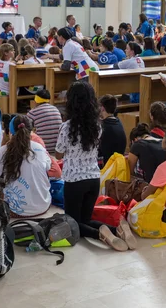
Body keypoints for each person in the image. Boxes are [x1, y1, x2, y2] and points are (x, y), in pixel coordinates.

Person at [56, 81, 135, 251]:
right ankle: (118, 229)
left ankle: (101, 233)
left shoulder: (67, 127)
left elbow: (59, 153)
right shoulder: (98, 126)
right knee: (84, 219)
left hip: (74, 180)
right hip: (93, 178)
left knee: (72, 224)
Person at [0, 115, 52, 217]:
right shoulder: (39, 148)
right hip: (43, 206)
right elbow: (48, 167)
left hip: (17, 211)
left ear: (10, 132)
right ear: (32, 131)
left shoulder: (3, 151)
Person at [26, 89, 62, 154]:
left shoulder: (33, 112)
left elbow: (25, 128)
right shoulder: (56, 109)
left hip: (42, 148)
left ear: (36, 100)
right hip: (57, 149)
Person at [98, 95, 127, 167]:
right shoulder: (118, 121)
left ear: (102, 108)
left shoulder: (103, 126)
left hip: (108, 165)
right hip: (119, 162)